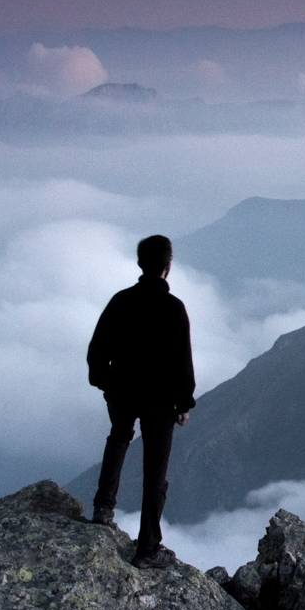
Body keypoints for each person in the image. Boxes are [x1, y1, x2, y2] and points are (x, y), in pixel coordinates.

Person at [86, 234, 195, 569]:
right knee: (154, 471)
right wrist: (183, 403)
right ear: (168, 266)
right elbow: (182, 363)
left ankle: (103, 509)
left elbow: (97, 352)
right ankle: (147, 549)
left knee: (119, 438)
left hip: (122, 391)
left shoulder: (121, 301)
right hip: (160, 401)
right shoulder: (174, 309)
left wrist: (106, 383)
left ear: (139, 264)